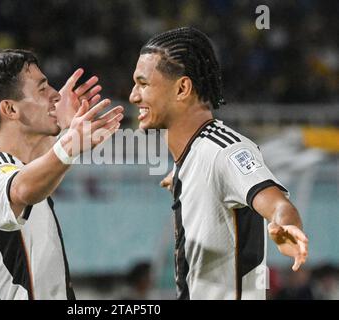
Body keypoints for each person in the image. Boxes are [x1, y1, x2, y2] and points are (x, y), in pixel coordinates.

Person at [129, 27, 309, 300]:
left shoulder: (226, 151)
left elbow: (275, 202)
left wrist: (286, 224)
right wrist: (179, 176)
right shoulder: (192, 157)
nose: (133, 96)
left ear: (182, 88)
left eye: (143, 84)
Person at [0, 49, 123, 300]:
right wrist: (70, 144)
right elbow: (21, 190)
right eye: (42, 89)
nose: (56, 95)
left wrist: (66, 128)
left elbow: (36, 173)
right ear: (10, 110)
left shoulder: (17, 166)